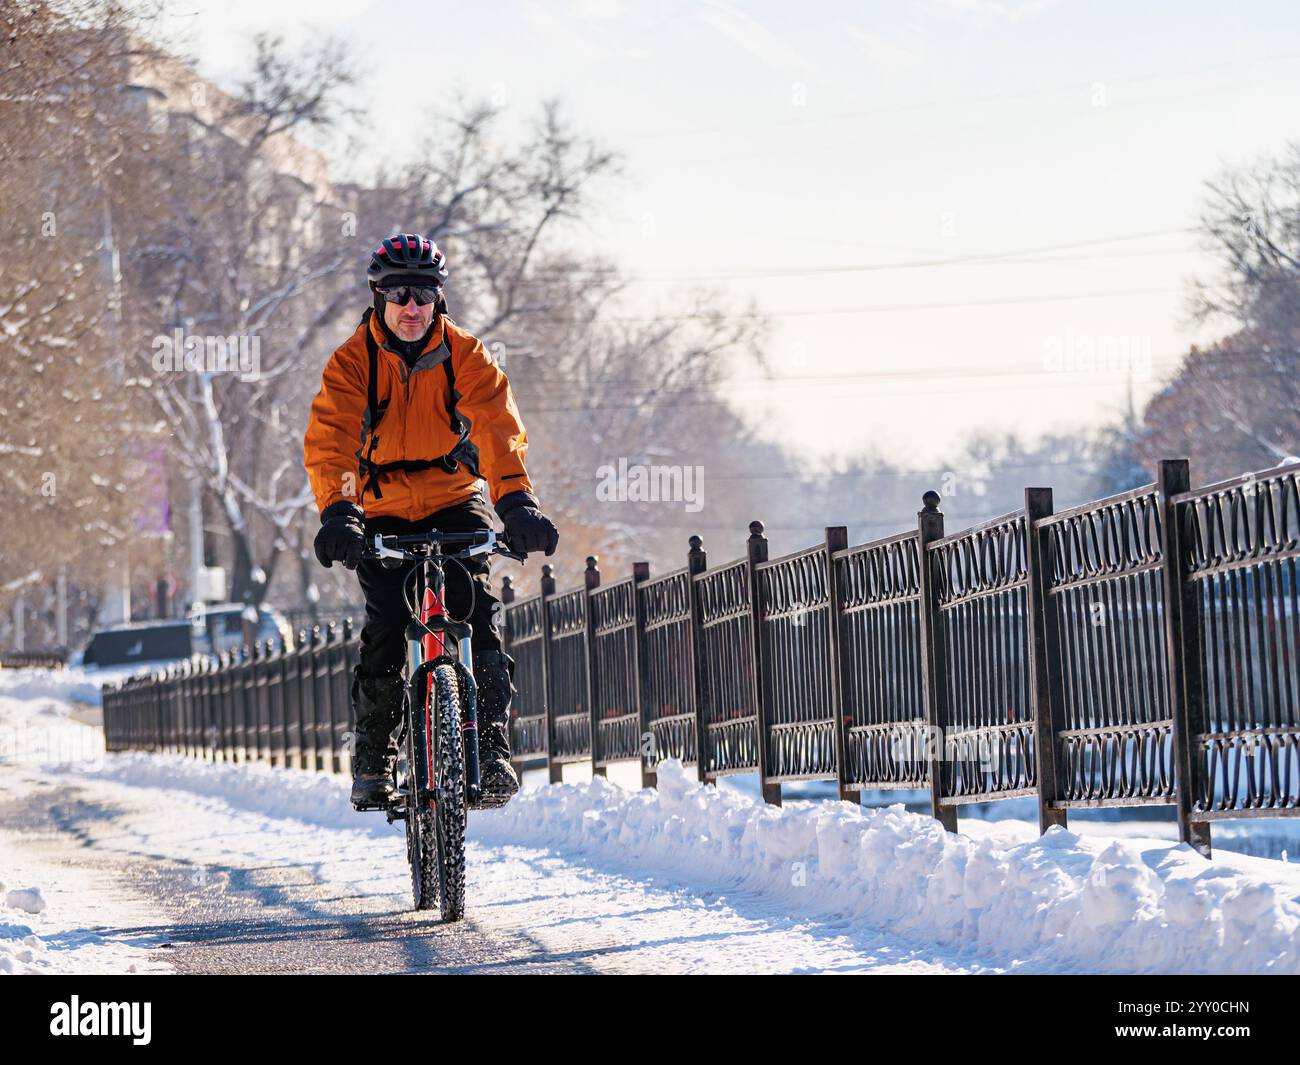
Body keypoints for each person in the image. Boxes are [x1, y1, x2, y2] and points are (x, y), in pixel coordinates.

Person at [303, 232, 558, 808]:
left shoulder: (466, 354)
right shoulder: (351, 362)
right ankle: (374, 757)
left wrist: (516, 502)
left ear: (439, 300)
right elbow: (331, 440)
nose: (411, 308)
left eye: (423, 294)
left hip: (453, 498)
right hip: (383, 506)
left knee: (479, 615)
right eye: (399, 295)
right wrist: (340, 511)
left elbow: (497, 427)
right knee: (388, 626)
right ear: (377, 299)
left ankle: (490, 747)